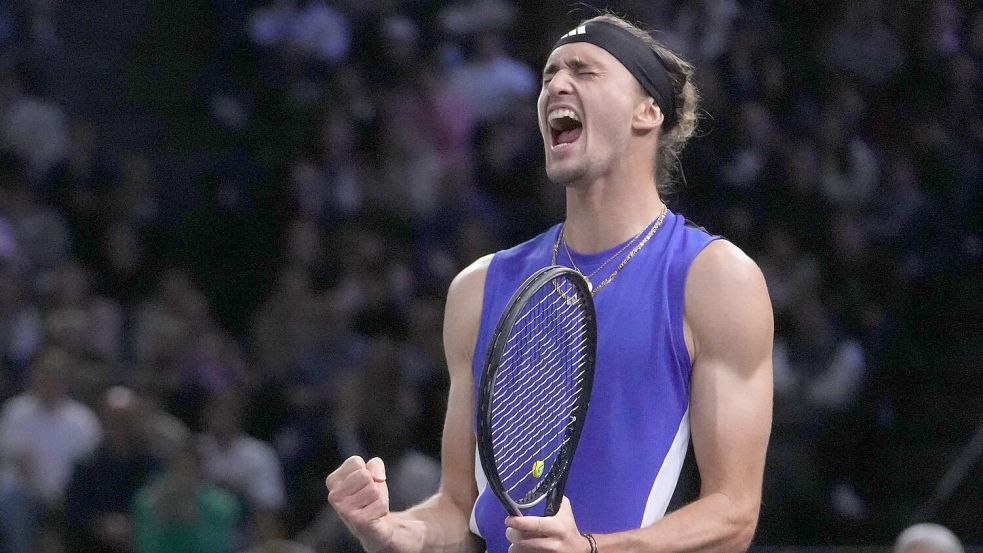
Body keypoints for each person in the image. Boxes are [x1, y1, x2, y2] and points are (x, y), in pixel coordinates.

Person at [325, 13, 773, 553]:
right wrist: (390, 530)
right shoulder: (479, 288)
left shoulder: (715, 279)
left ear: (647, 111)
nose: (556, 85)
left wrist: (591, 549)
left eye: (584, 71)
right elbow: (460, 511)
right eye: (548, 76)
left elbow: (733, 515)